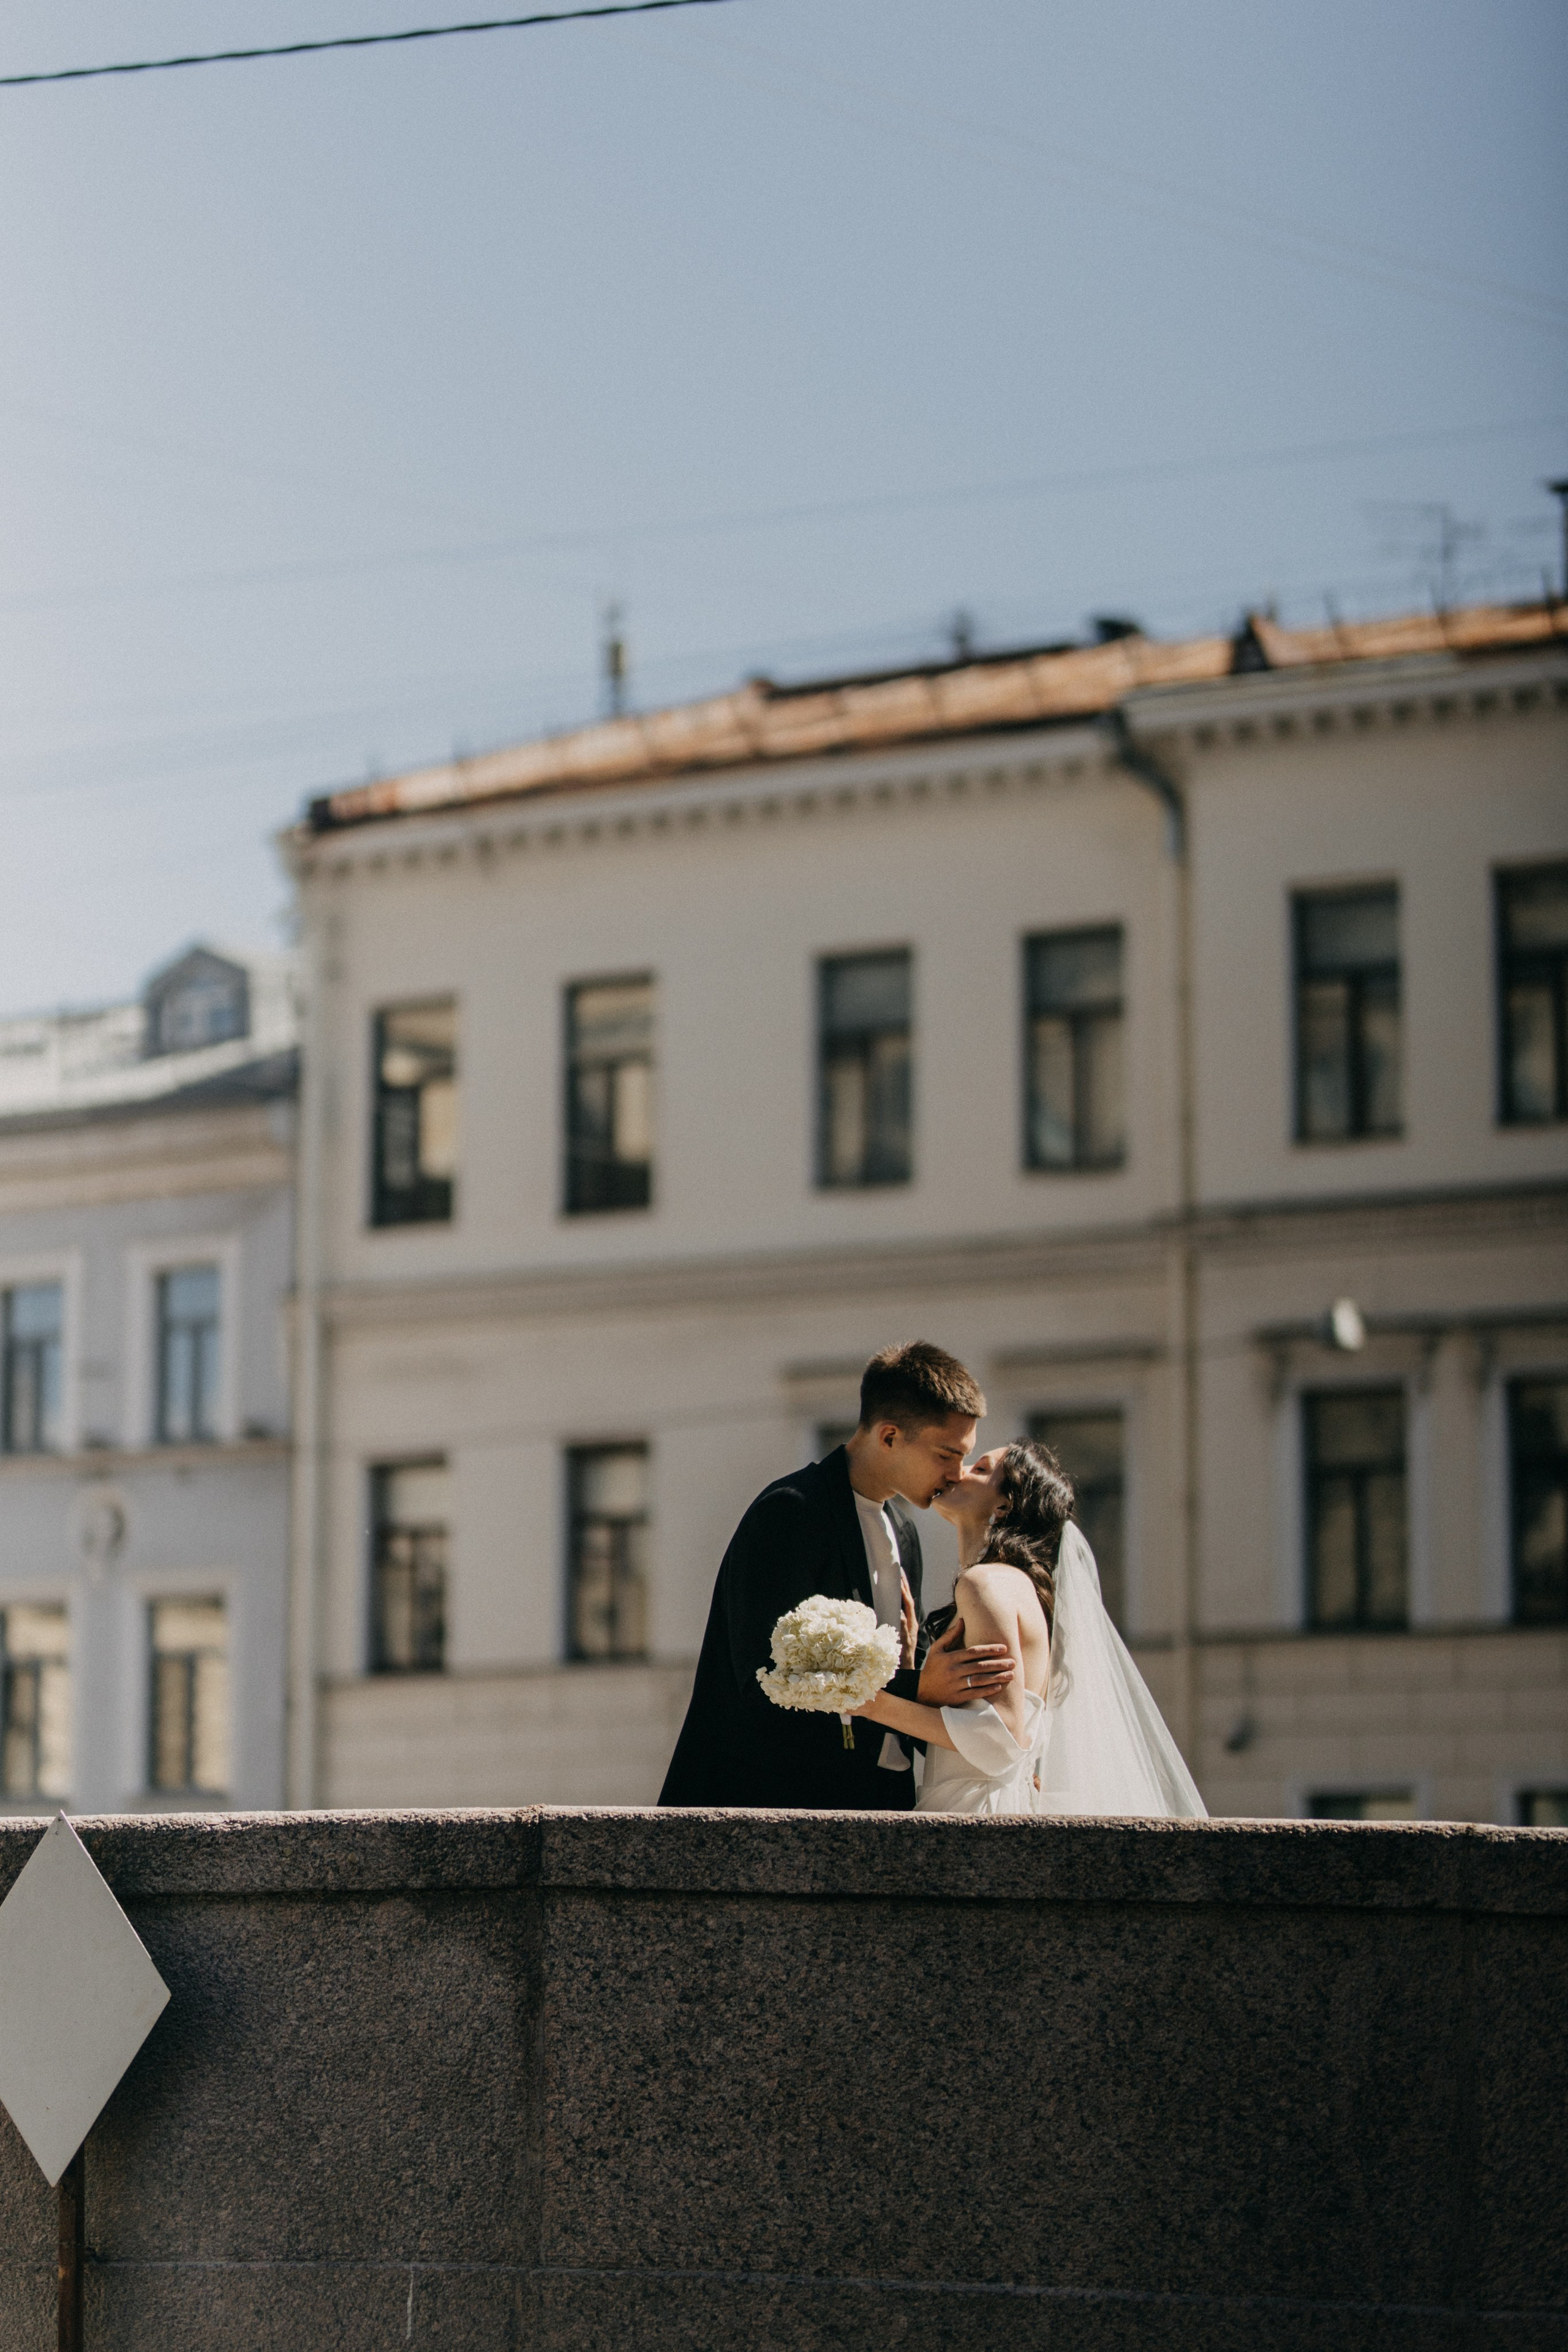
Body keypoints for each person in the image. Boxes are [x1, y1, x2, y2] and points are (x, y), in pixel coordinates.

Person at [659, 1341, 1017, 1810]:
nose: (957, 1474)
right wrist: (917, 1687)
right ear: (890, 1437)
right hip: (775, 1807)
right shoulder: (791, 1511)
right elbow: (765, 1676)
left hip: (884, 1802)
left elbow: (912, 1677)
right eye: (946, 1455)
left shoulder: (904, 1532)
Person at [854, 1438, 1208, 1820]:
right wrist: (912, 1670)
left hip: (978, 1816)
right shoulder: (1013, 1587)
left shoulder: (986, 1584)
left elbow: (1002, 1737)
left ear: (1004, 1506)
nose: (959, 1472)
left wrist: (870, 1703)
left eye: (981, 1469)